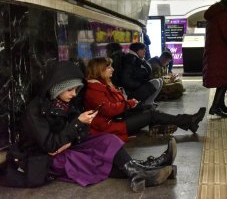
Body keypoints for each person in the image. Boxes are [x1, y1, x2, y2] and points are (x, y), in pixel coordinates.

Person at [14, 61, 174, 192]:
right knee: (83, 158)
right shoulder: (35, 110)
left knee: (107, 140)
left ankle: (143, 169)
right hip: (43, 157)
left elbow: (79, 136)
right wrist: (77, 124)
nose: (74, 94)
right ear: (57, 87)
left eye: (76, 89)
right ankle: (146, 168)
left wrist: (82, 125)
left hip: (66, 145)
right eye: (69, 90)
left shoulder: (65, 103)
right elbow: (50, 145)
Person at [84, 57, 206, 141]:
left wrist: (128, 103)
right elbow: (109, 110)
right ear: (99, 70)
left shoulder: (103, 85)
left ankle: (186, 122)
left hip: (119, 118)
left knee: (148, 108)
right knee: (151, 114)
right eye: (109, 67)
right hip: (111, 126)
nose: (113, 69)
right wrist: (129, 104)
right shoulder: (94, 89)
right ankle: (188, 121)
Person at [121, 42, 162, 107]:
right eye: (143, 49)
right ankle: (147, 104)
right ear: (136, 50)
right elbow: (126, 80)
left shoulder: (138, 59)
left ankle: (150, 102)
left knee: (159, 80)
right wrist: (140, 84)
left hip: (137, 87)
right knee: (156, 82)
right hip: (131, 92)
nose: (145, 51)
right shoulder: (130, 60)